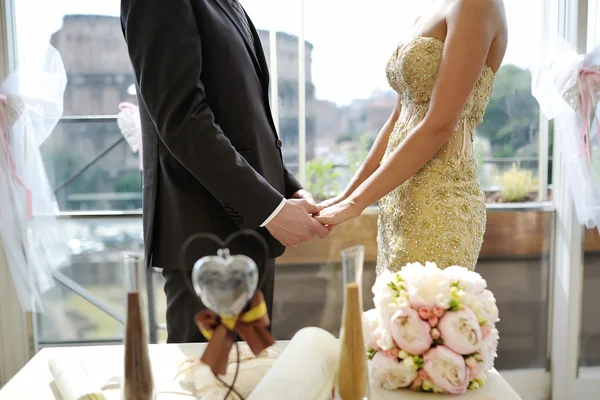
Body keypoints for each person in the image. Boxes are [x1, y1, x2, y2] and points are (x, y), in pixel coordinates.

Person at [120, 0, 330, 343]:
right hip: (205, 240)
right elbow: (182, 119)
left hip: (252, 233)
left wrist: (286, 189)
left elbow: (243, 121)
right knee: (206, 384)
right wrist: (269, 208)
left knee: (249, 382)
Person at [317, 0, 508, 273]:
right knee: (396, 310)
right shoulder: (429, 11)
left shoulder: (477, 5)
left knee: (424, 311)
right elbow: (397, 118)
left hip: (440, 203)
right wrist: (346, 196)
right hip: (398, 201)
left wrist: (355, 203)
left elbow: (441, 124)